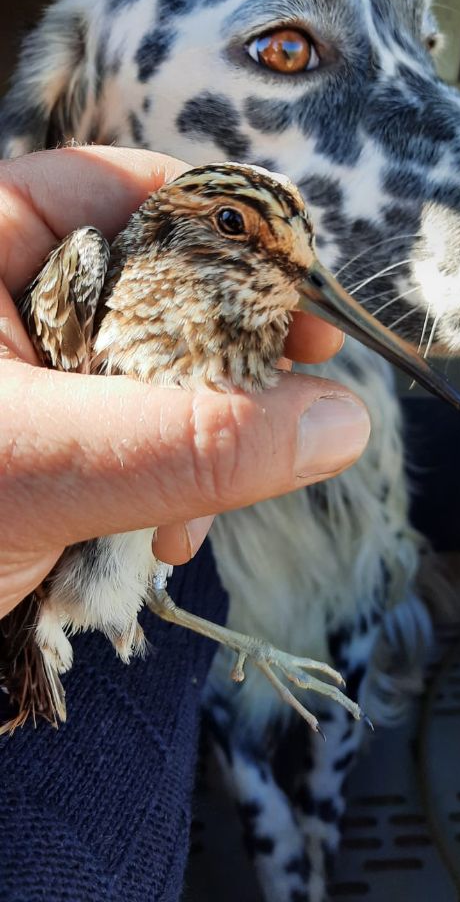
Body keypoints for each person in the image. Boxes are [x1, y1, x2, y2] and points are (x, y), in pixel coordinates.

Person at [0, 145, 371, 901]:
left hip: (122, 570)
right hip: (44, 590)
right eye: (236, 226)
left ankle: (247, 650)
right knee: (184, 576)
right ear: (177, 229)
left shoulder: (260, 323)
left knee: (180, 577)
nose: (294, 277)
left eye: (300, 259)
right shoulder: (89, 266)